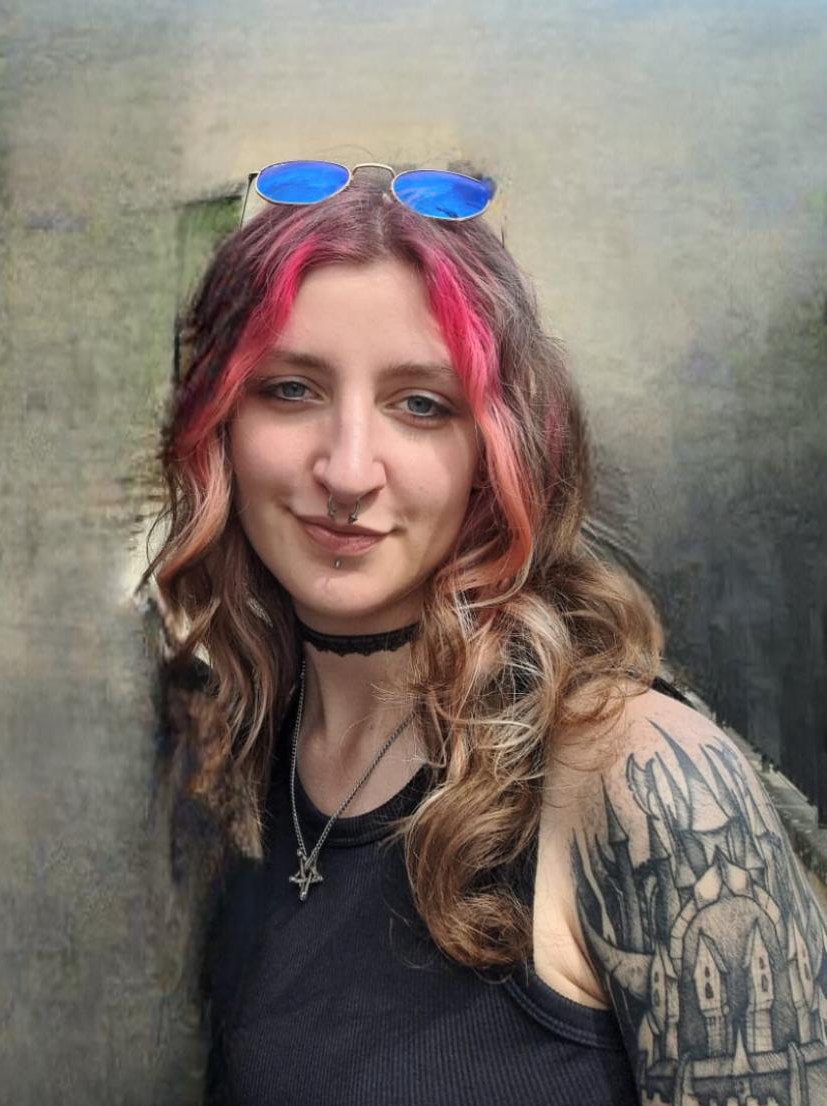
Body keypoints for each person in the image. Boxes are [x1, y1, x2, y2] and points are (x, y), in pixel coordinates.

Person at [140, 162, 827, 1105]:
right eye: (291, 389)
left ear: (495, 448)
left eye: (421, 403)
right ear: (219, 424)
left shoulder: (638, 779)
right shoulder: (229, 758)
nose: (348, 470)